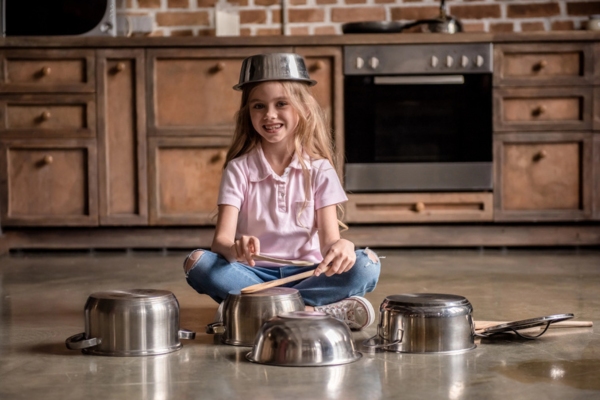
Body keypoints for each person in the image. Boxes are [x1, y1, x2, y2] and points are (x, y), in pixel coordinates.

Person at [183, 53, 381, 330]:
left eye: (282, 104)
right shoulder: (238, 169)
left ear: (304, 109)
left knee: (366, 264)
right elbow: (221, 243)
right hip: (252, 274)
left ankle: (254, 311)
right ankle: (314, 311)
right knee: (198, 263)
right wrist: (235, 249)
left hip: (308, 273)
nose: (270, 115)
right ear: (248, 113)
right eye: (259, 106)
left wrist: (343, 247)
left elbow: (329, 244)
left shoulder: (321, 169)